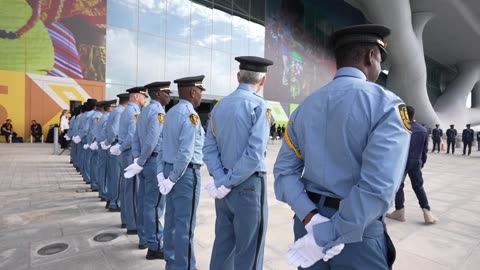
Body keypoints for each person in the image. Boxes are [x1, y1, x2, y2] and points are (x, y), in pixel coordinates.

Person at [273, 24, 411, 269]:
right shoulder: (387, 105)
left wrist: (311, 217)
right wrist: (328, 233)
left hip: (308, 223)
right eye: (381, 60)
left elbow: (284, 173)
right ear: (372, 56)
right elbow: (378, 188)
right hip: (355, 233)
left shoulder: (304, 107)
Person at [203, 56, 273, 270]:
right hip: (248, 188)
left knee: (223, 247)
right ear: (263, 81)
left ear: (238, 77)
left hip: (223, 191)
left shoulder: (219, 107)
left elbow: (209, 149)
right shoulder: (259, 106)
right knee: (249, 252)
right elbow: (254, 154)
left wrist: (221, 180)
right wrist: (229, 181)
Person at [158, 75, 205, 270]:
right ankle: (184, 266)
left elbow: (162, 145)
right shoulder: (190, 115)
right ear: (193, 92)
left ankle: (171, 262)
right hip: (185, 174)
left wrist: (162, 174)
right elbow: (185, 153)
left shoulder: (170, 112)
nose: (202, 95)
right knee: (185, 225)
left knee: (171, 220)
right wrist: (173, 177)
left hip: (170, 170)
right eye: (200, 91)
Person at [125, 81, 171, 260]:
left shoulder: (144, 111)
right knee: (154, 205)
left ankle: (144, 238)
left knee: (144, 202)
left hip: (145, 163)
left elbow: (136, 138)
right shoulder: (158, 111)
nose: (169, 95)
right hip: (153, 163)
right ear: (158, 94)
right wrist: (142, 160)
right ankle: (155, 245)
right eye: (166, 92)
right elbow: (151, 141)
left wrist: (138, 160)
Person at [386, 106, 438, 224]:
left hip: (402, 161)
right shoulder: (423, 130)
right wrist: (421, 163)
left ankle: (400, 211)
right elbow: (424, 150)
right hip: (416, 161)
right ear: (414, 115)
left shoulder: (400, 128)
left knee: (399, 186)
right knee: (418, 186)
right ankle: (427, 212)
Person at [110, 87, 148, 237]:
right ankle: (133, 224)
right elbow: (133, 135)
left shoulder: (127, 110)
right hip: (130, 153)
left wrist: (121, 147)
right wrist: (122, 147)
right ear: (137, 97)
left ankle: (126, 218)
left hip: (126, 153)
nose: (145, 100)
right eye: (144, 97)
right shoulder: (133, 112)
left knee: (127, 188)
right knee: (132, 190)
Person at [103, 93, 129, 215]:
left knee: (113, 176)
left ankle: (111, 199)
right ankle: (115, 202)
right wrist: (115, 142)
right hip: (118, 146)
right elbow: (115, 130)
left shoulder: (117, 111)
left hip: (114, 145)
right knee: (118, 178)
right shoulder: (120, 112)